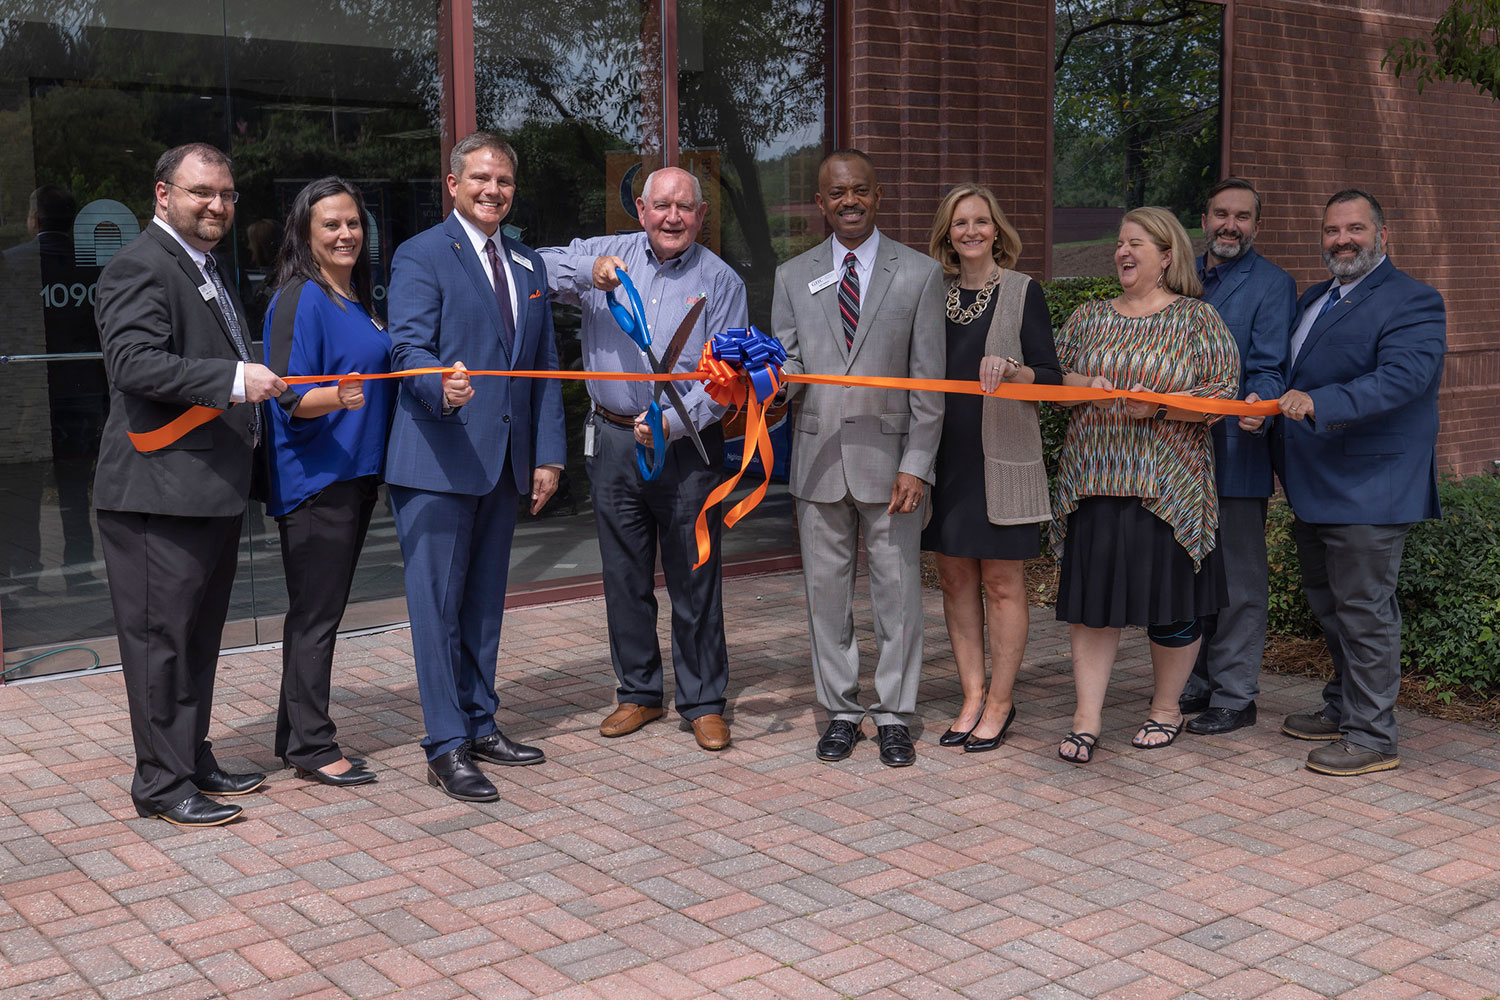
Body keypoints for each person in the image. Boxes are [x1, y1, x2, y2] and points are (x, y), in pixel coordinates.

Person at [93, 143, 288, 826]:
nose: (217, 205)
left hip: (206, 489)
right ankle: (160, 783)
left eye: (227, 194)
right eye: (202, 191)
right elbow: (135, 364)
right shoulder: (138, 265)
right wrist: (236, 381)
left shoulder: (200, 266)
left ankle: (190, 756)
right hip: (156, 494)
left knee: (198, 639)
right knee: (160, 644)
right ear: (163, 194)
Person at [385, 132, 566, 802]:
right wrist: (440, 385)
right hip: (435, 459)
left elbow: (542, 367)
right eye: (481, 178)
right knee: (436, 609)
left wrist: (547, 452)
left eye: (504, 181)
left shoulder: (528, 264)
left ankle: (480, 721)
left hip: (503, 464)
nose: (493, 190)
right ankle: (445, 745)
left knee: (485, 603)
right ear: (453, 184)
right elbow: (406, 347)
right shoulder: (421, 254)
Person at [540, 167, 747, 751]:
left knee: (695, 576)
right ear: (640, 207)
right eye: (661, 206)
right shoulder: (604, 254)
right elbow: (534, 265)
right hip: (611, 442)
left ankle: (703, 700)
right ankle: (637, 692)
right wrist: (591, 272)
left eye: (685, 207)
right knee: (624, 576)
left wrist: (675, 424)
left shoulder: (722, 280)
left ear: (701, 215)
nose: (672, 217)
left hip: (687, 448)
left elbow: (728, 379)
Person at [772, 149, 945, 767]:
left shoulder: (920, 274)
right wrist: (762, 385)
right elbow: (787, 367)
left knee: (899, 597)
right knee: (826, 598)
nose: (849, 201)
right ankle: (842, 711)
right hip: (818, 462)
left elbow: (930, 382)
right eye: (836, 193)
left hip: (892, 463)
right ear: (820, 203)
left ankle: (895, 713)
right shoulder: (792, 277)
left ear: (878, 195)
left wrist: (918, 464)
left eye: (860, 191)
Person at [1265, 189, 1445, 777]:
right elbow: (1295, 375)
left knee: (1365, 612)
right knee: (1332, 607)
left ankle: (1371, 738)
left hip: (1372, 483)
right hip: (1316, 480)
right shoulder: (1315, 298)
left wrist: (1317, 401)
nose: (1342, 239)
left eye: (1355, 229)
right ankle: (1345, 706)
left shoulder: (1413, 300)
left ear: (1382, 235)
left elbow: (1402, 379)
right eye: (1332, 230)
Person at [1049, 207, 1238, 764]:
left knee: (1173, 606)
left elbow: (1223, 395)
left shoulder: (1198, 321)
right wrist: (1088, 384)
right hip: (1094, 481)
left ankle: (1164, 709)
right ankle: (1086, 719)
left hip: (1168, 489)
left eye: (1136, 243)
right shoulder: (1087, 317)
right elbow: (1054, 376)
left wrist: (1158, 406)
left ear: (1167, 256)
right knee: (1091, 606)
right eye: (1120, 244)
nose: (1122, 252)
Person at [920, 184, 1061, 752]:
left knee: (1002, 585)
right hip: (944, 460)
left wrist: (1013, 368)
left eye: (981, 221)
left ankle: (1001, 702)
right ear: (947, 234)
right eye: (960, 224)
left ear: (997, 230)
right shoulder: (934, 293)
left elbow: (1050, 378)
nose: (971, 231)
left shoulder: (1024, 292)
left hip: (1001, 459)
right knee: (954, 579)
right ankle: (972, 695)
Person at [262, 177, 393, 788]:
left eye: (353, 224)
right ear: (305, 233)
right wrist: (333, 397)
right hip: (316, 481)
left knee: (319, 612)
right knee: (316, 616)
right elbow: (285, 394)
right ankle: (314, 747)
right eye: (331, 225)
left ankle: (295, 737)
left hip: (355, 475)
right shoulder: (301, 297)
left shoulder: (352, 296)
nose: (346, 234)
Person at [1177, 178, 1296, 736]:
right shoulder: (1179, 276)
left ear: (1256, 225)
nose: (1231, 225)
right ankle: (1196, 680)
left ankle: (1236, 694)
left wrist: (1260, 400)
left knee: (1240, 581)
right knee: (1189, 573)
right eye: (1221, 213)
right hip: (1174, 454)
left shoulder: (1272, 284)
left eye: (1243, 216)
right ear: (1204, 219)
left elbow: (1271, 364)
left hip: (1235, 449)